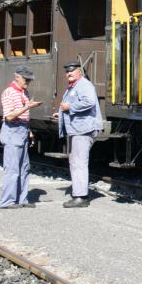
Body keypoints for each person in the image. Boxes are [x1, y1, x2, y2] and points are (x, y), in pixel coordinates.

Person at [57, 61, 103, 208]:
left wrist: (70, 106)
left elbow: (89, 102)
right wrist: (61, 114)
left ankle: (81, 197)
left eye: (72, 71)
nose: (69, 73)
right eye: (67, 71)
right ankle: (79, 194)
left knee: (79, 163)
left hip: (83, 129)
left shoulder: (84, 85)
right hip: (77, 129)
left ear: (79, 72)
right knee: (75, 162)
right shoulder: (74, 86)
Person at [0, 65, 42, 209]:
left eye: (29, 80)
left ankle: (22, 199)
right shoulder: (8, 93)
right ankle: (7, 201)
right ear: (17, 77)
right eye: (26, 79)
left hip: (22, 131)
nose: (28, 82)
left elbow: (24, 115)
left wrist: (29, 131)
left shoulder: (24, 92)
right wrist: (28, 107)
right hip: (12, 131)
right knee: (12, 169)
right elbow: (9, 117)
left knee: (24, 167)